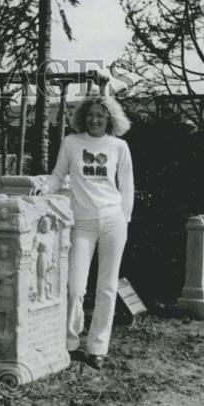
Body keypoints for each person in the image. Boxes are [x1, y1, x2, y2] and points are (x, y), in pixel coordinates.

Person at [49, 94, 134, 369]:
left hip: (113, 222)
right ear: (83, 117)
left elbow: (127, 186)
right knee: (75, 287)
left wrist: (125, 219)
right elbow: (57, 176)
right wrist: (44, 190)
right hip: (82, 223)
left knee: (107, 288)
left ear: (109, 117)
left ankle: (97, 347)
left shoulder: (119, 146)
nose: (95, 119)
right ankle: (70, 341)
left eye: (101, 114)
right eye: (90, 114)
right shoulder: (72, 143)